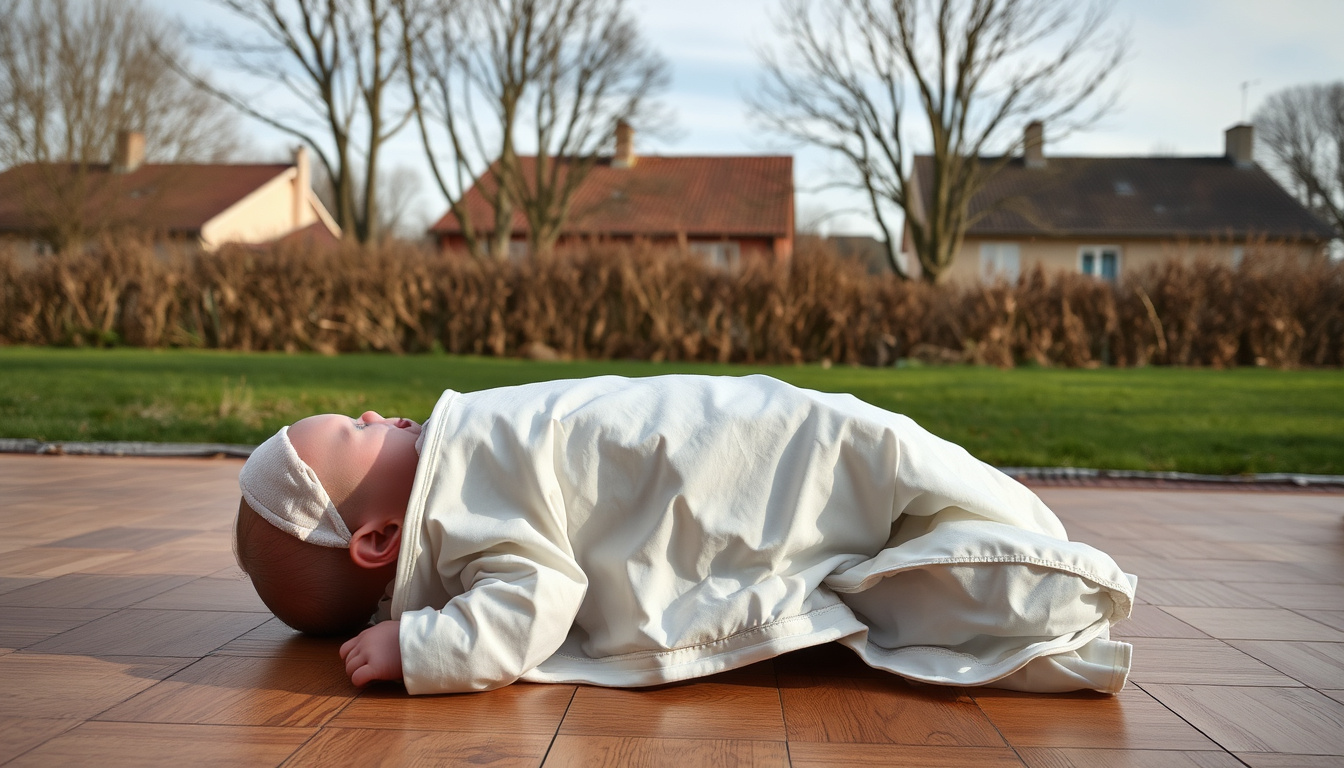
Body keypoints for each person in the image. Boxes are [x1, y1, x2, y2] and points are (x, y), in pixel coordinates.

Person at [235, 374, 1136, 696]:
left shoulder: (467, 452)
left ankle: (1006, 542)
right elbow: (536, 600)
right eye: (351, 434)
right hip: (754, 470)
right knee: (856, 478)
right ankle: (1024, 572)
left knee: (868, 452)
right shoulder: (459, 504)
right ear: (378, 540)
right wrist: (421, 647)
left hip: (726, 429)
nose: (371, 414)